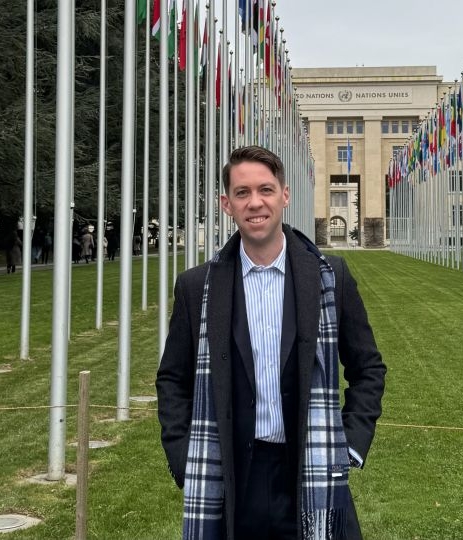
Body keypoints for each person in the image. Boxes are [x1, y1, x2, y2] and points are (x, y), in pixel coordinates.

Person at [156, 146, 386, 540]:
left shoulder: (331, 277)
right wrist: (184, 456)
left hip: (309, 469)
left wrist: (349, 445)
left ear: (285, 195)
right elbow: (172, 381)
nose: (255, 202)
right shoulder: (197, 287)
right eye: (242, 193)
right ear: (226, 204)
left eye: (265, 189)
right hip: (232, 478)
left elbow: (367, 369)